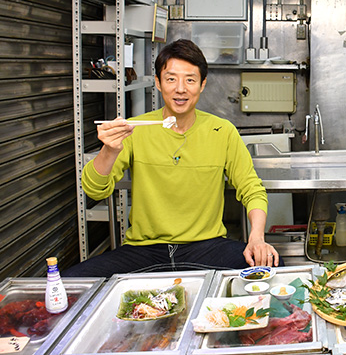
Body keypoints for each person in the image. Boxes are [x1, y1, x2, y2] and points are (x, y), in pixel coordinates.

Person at [64, 39, 280, 277]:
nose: (180, 88)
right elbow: (95, 191)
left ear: (202, 84)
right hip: (144, 250)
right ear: (158, 82)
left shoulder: (223, 131)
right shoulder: (135, 128)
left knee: (277, 276)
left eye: (190, 79)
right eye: (171, 79)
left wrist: (257, 238)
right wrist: (109, 150)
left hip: (207, 247)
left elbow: (252, 189)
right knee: (70, 284)